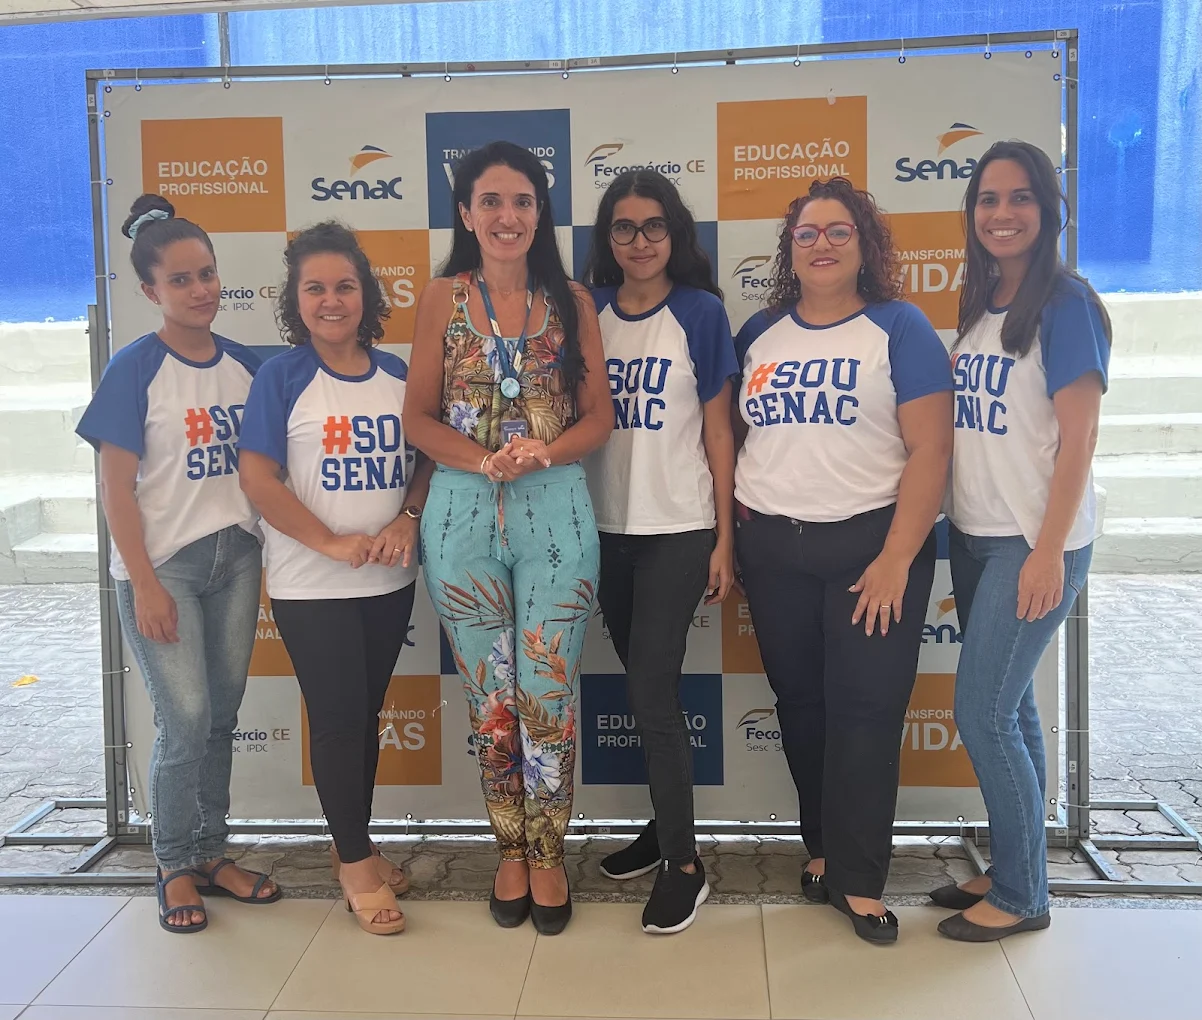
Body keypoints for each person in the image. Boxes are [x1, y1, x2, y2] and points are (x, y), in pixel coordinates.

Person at [732, 178, 953, 944]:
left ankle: (860, 881)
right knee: (802, 705)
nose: (821, 244)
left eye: (837, 231)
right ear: (789, 249)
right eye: (806, 233)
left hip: (874, 550)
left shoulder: (900, 326)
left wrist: (898, 556)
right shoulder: (760, 333)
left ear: (864, 244)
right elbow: (736, 437)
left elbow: (932, 450)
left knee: (866, 711)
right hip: (774, 549)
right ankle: (822, 849)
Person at [403, 140, 612, 936]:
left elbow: (599, 417)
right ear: (466, 214)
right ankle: (510, 851)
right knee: (491, 700)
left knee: (547, 694)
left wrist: (543, 453)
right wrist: (481, 459)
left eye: (522, 201)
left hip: (555, 510)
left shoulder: (572, 300)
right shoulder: (441, 298)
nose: (507, 216)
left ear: (539, 211)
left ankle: (550, 854)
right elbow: (418, 417)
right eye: (490, 201)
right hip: (461, 512)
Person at [76, 195, 280, 934]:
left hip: (237, 559)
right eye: (181, 280)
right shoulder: (134, 369)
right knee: (185, 718)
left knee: (221, 717)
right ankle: (171, 864)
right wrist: (145, 583)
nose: (200, 290)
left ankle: (212, 853)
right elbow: (115, 489)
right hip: (164, 569)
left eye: (207, 274)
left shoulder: (247, 366)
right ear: (149, 290)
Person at [930, 141, 1110, 942]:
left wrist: (1047, 551)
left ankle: (1023, 897)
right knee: (1015, 711)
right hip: (975, 535)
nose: (1002, 214)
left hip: (1033, 542)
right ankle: (1016, 865)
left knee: (983, 714)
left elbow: (1080, 441)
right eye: (988, 199)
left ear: (1049, 209)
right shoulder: (983, 301)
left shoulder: (1067, 305)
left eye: (1020, 198)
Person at [239, 222, 432, 936]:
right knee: (339, 719)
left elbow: (429, 457)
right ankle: (354, 864)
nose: (331, 300)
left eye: (344, 286)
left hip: (387, 583)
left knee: (365, 716)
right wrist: (326, 541)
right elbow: (258, 478)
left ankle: (357, 841)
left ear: (366, 294)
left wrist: (408, 516)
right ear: (296, 300)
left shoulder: (399, 375)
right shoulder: (281, 377)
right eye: (315, 288)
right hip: (309, 585)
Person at [579, 170, 737, 934]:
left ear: (673, 234)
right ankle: (662, 826)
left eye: (652, 226)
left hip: (677, 529)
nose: (639, 241)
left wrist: (726, 538)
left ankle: (685, 864)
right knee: (646, 692)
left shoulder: (700, 312)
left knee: (650, 692)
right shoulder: (588, 312)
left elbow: (719, 431)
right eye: (623, 227)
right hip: (605, 530)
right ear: (607, 238)